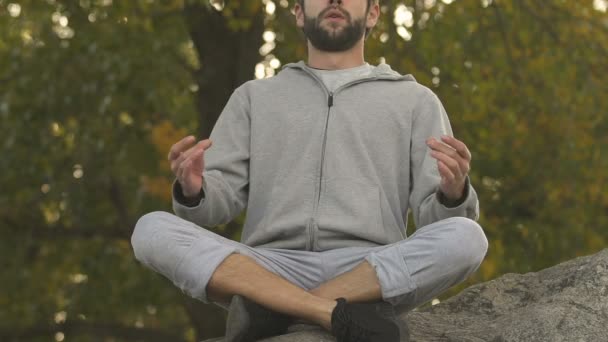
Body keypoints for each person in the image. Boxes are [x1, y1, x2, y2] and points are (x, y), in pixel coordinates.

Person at [131, 0, 488, 341]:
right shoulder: (254, 97)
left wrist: (453, 192)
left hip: (368, 269)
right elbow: (216, 207)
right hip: (269, 264)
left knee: (467, 237)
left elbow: (436, 220)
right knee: (150, 229)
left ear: (373, 14)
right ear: (299, 14)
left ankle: (274, 311)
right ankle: (330, 313)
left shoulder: (416, 101)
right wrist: (194, 190)